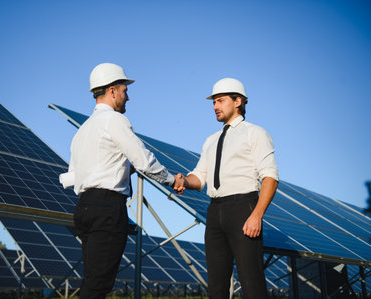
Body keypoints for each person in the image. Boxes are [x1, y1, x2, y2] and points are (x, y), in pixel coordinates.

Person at [59, 63, 183, 299]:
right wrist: (171, 179)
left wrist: (124, 169)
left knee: (93, 278)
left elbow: (75, 176)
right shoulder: (115, 121)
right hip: (108, 208)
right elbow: (145, 161)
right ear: (112, 90)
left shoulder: (82, 131)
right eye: (125, 90)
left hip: (84, 207)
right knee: (98, 286)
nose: (128, 96)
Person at [174, 78, 278, 299]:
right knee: (217, 285)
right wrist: (184, 181)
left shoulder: (255, 133)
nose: (215, 107)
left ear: (238, 101)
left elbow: (270, 177)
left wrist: (256, 215)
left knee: (252, 282)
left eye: (220, 101)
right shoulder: (210, 140)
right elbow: (199, 178)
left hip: (243, 208)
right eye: (213, 102)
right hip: (214, 212)